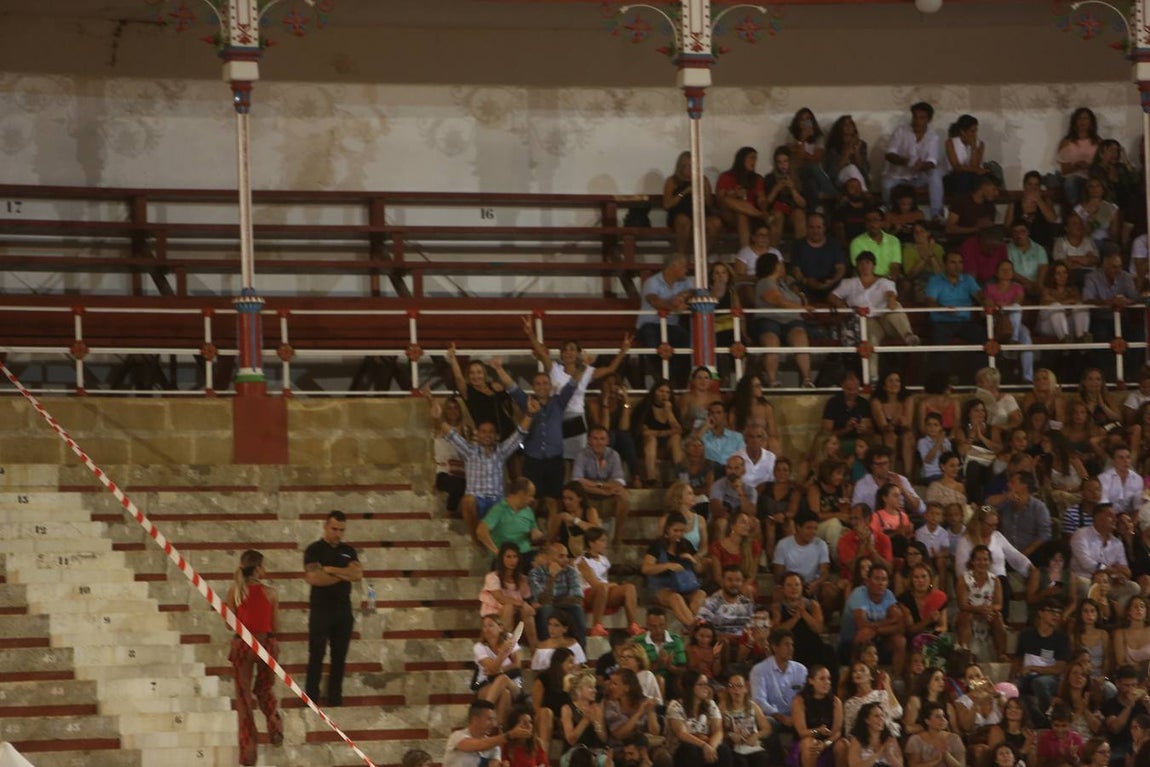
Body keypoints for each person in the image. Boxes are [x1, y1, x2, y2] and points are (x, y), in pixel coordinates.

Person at [432, 394, 533, 541]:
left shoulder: (501, 451)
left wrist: (529, 414)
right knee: (468, 500)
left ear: (496, 435)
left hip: (496, 502)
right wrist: (438, 419)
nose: (487, 435)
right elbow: (451, 435)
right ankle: (475, 538)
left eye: (491, 432)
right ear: (477, 434)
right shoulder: (469, 451)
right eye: (483, 432)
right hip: (477, 503)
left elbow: (519, 435)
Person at [495, 359, 578, 519]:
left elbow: (573, 383)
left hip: (555, 460)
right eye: (538, 384)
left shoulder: (559, 402)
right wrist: (499, 368)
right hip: (533, 460)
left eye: (545, 383)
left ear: (551, 386)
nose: (542, 386)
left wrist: (582, 365)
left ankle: (551, 541)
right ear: (533, 387)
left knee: (554, 502)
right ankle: (528, 537)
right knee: (531, 501)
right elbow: (511, 386)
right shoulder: (526, 402)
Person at [227, 549, 283, 766]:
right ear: (259, 568)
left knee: (243, 699)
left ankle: (248, 752)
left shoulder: (234, 591)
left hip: (242, 645)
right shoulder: (271, 593)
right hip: (266, 644)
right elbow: (275, 626)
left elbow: (228, 623)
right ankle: (274, 724)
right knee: (265, 688)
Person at [303, 510, 362, 708]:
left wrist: (331, 570)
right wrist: (343, 574)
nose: (337, 533)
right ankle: (311, 697)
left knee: (339, 656)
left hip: (343, 610)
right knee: (316, 654)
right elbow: (314, 578)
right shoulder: (314, 549)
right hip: (321, 609)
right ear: (326, 527)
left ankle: (335, 698)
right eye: (334, 528)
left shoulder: (349, 550)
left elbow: (357, 574)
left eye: (341, 530)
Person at [829, 252, 919, 379]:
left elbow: (890, 293)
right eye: (861, 263)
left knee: (896, 307)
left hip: (887, 320)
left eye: (867, 263)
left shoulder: (884, 281)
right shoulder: (849, 283)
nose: (864, 266)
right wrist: (840, 303)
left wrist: (891, 299)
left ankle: (908, 336)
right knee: (870, 341)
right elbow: (833, 296)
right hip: (867, 320)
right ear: (857, 267)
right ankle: (872, 377)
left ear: (873, 266)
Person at [753, 250, 815, 389]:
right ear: (774, 266)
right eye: (780, 264)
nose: (783, 266)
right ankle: (772, 380)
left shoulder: (783, 284)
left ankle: (807, 379)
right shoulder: (764, 282)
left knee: (800, 337)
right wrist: (802, 308)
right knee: (771, 340)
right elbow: (777, 300)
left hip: (791, 320)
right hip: (769, 319)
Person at [635, 253, 695, 379]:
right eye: (683, 266)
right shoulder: (652, 282)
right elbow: (654, 301)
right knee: (653, 345)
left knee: (687, 342)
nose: (686, 270)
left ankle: (680, 382)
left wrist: (683, 296)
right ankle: (661, 379)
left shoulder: (684, 282)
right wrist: (674, 307)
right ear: (674, 267)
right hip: (649, 325)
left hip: (671, 326)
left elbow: (693, 291)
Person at [642, 512, 706, 627]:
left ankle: (692, 625)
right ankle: (694, 628)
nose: (679, 534)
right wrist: (667, 565)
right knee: (675, 597)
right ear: (667, 529)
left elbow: (699, 569)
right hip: (662, 587)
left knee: (700, 594)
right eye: (675, 530)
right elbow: (646, 568)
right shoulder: (657, 545)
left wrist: (692, 560)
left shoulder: (686, 545)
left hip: (684, 585)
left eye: (681, 531)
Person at [1015, 597, 1072, 726]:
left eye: (1058, 613)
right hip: (1026, 676)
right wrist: (1012, 678)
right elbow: (1018, 660)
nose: (1056, 615)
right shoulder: (1026, 635)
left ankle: (1049, 716)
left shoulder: (1061, 639)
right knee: (1014, 688)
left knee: (1039, 682)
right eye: (1052, 611)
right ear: (1040, 613)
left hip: (1050, 679)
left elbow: (1060, 668)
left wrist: (1033, 668)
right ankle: (1036, 721)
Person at [841, 563, 906, 675]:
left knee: (900, 640)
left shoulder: (888, 595)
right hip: (851, 642)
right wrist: (889, 622)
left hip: (876, 637)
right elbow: (861, 625)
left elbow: (900, 625)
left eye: (884, 579)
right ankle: (856, 674)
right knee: (865, 633)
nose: (881, 583)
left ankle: (897, 678)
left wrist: (876, 630)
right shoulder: (858, 594)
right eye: (877, 579)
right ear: (867, 581)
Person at [882, 101, 943, 220]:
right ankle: (888, 213)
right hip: (897, 176)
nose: (917, 121)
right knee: (886, 185)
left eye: (921, 118)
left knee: (935, 175)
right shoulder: (900, 131)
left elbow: (932, 162)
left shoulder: (933, 137)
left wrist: (922, 166)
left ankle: (936, 214)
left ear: (929, 120)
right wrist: (904, 162)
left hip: (917, 177)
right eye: (915, 117)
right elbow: (889, 154)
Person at [577, 527, 642, 638]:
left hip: (605, 591)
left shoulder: (604, 560)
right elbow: (595, 584)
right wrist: (612, 585)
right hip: (589, 593)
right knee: (602, 588)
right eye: (602, 541)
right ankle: (597, 625)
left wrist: (611, 586)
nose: (605, 543)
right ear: (591, 543)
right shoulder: (582, 561)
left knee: (629, 587)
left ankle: (633, 625)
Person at [572, 426, 631, 544]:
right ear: (589, 440)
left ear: (607, 441)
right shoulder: (581, 455)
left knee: (624, 496)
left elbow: (619, 481)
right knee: (576, 490)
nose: (599, 442)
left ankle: (617, 537)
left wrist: (597, 484)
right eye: (595, 439)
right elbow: (578, 482)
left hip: (607, 492)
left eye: (602, 439)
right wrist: (603, 490)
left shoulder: (614, 455)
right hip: (589, 493)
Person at [1070, 504, 1139, 603]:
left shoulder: (1117, 543)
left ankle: (1117, 614)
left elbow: (1124, 569)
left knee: (1133, 587)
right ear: (1098, 517)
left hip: (1109, 582)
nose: (1115, 519)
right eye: (1110, 516)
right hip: (1085, 578)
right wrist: (1110, 570)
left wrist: (1121, 576)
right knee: (1085, 585)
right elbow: (1086, 563)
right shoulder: (1081, 534)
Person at [750, 628, 809, 735]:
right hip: (773, 717)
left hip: (797, 716)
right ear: (775, 647)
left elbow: (807, 696)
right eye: (786, 645)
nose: (791, 648)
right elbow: (759, 701)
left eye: (792, 645)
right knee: (768, 723)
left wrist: (796, 717)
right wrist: (781, 717)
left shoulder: (801, 670)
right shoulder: (759, 670)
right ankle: (778, 752)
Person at [925, 251, 985, 358]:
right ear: (945, 265)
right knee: (939, 346)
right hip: (941, 323)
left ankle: (979, 373)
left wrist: (986, 301)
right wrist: (944, 309)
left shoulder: (968, 279)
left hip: (964, 322)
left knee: (982, 337)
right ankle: (942, 374)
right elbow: (930, 301)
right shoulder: (935, 280)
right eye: (953, 262)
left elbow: (980, 295)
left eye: (960, 262)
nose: (957, 266)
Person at [529, 543, 589, 648]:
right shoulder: (535, 573)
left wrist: (552, 602)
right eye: (561, 556)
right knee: (546, 609)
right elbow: (542, 600)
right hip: (546, 609)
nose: (566, 560)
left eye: (566, 556)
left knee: (577, 608)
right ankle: (547, 651)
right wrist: (552, 577)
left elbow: (577, 598)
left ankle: (580, 655)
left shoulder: (571, 572)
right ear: (549, 558)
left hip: (565, 608)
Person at [666, 671, 732, 767]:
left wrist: (712, 747)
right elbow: (682, 734)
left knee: (724, 749)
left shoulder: (711, 705)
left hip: (706, 745)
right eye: (701, 684)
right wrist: (703, 745)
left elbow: (718, 731)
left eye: (707, 684)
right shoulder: (676, 706)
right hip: (682, 749)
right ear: (690, 687)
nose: (706, 688)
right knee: (690, 749)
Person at [481, 543, 539, 650]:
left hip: (517, 614)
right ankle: (504, 646)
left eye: (514, 557)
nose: (512, 560)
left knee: (525, 610)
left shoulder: (522, 579)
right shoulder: (492, 577)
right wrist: (522, 604)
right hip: (495, 614)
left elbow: (529, 597)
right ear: (501, 558)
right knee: (509, 607)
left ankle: (534, 649)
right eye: (508, 557)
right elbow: (500, 598)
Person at [985, 259, 1036, 383]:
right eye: (1003, 269)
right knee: (1014, 310)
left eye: (1009, 269)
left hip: (1015, 321)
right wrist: (1000, 307)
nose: (1007, 272)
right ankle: (1013, 339)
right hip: (998, 321)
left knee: (1027, 337)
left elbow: (1018, 301)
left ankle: (1028, 377)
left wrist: (1003, 306)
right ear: (996, 273)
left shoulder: (1017, 287)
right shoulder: (990, 288)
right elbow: (987, 302)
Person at [773, 511, 837, 609]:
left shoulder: (821, 544)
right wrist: (793, 586)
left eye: (815, 528)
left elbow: (825, 573)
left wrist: (816, 584)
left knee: (829, 590)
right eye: (809, 528)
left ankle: (822, 620)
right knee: (778, 592)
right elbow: (778, 575)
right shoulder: (783, 544)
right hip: (791, 585)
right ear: (798, 527)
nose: (813, 532)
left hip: (812, 585)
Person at [664, 150, 722, 257]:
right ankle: (682, 255)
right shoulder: (672, 181)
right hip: (680, 213)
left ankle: (702, 256)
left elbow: (709, 204)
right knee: (683, 221)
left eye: (691, 166)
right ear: (680, 167)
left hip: (700, 213)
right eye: (685, 166)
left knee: (716, 223)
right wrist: (684, 192)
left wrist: (702, 194)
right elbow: (667, 204)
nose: (688, 169)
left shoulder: (703, 180)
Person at [445, 699, 534, 767]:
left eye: (494, 719)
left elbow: (494, 763)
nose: (493, 724)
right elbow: (478, 745)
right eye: (489, 719)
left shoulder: (494, 746)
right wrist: (510, 735)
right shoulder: (457, 736)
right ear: (475, 719)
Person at [955, 544, 1007, 661]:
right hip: (969, 612)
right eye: (978, 559)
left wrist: (988, 610)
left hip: (987, 612)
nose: (982, 563)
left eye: (985, 559)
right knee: (965, 615)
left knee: (998, 616)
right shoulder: (963, 579)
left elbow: (999, 604)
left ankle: (1001, 654)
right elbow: (962, 604)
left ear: (989, 562)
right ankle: (964, 652)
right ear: (972, 561)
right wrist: (978, 610)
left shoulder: (995, 580)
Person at [472, 615, 525, 724]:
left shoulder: (510, 638)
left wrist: (498, 671)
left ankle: (483, 714)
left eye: (490, 625)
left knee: (502, 679)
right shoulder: (479, 647)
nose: (487, 629)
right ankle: (502, 732)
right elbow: (492, 668)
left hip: (513, 683)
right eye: (484, 626)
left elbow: (517, 664)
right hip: (486, 684)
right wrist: (503, 653)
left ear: (500, 627)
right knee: (505, 694)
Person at [477, 478, 545, 558]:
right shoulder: (499, 510)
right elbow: (481, 531)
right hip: (506, 557)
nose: (533, 500)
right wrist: (497, 552)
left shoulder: (528, 511)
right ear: (521, 494)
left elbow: (534, 533)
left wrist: (537, 535)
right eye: (530, 496)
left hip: (525, 555)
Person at [852, 445, 923, 518]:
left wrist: (902, 489)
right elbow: (856, 510)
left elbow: (920, 508)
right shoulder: (862, 484)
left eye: (885, 463)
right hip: (872, 522)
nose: (882, 467)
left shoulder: (901, 479)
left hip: (899, 521)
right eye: (878, 464)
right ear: (871, 465)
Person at [718, 146, 769, 249]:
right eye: (751, 157)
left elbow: (761, 198)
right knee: (728, 200)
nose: (754, 161)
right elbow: (720, 200)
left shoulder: (757, 178)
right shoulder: (726, 176)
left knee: (742, 215)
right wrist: (734, 194)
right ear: (741, 159)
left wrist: (763, 204)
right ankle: (760, 215)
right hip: (729, 214)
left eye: (755, 158)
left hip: (750, 215)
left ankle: (745, 252)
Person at [721, 671, 773, 767]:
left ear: (745, 689)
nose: (735, 690)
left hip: (753, 746)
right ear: (728, 690)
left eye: (739, 686)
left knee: (763, 758)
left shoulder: (753, 706)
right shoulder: (722, 707)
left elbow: (767, 728)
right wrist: (729, 735)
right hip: (735, 748)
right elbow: (717, 731)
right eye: (732, 686)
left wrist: (756, 736)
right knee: (740, 763)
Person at [559, 669, 610, 766]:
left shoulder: (596, 709)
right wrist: (586, 720)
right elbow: (571, 740)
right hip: (574, 751)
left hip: (594, 750)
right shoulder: (567, 709)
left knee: (605, 761)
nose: (595, 691)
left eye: (594, 687)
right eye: (590, 687)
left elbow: (603, 738)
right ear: (579, 690)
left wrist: (596, 722)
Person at [1102, 666, 1150, 767]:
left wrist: (1148, 707)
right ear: (1118, 684)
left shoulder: (1142, 703)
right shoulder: (1111, 704)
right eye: (1127, 685)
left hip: (1143, 745)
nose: (1131, 689)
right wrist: (1129, 706)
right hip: (1119, 747)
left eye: (1134, 685)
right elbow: (1115, 728)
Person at [792, 212, 847, 302]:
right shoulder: (799, 245)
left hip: (830, 286)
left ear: (824, 228)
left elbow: (841, 268)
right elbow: (796, 270)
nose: (815, 231)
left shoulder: (834, 244)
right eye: (811, 227)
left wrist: (832, 281)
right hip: (806, 286)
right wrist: (806, 281)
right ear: (806, 228)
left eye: (818, 227)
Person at [997, 471, 1053, 558]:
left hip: (1030, 556)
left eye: (1012, 482)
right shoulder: (1005, 503)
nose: (1008, 484)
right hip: (1005, 555)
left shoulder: (1039, 508)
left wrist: (1024, 554)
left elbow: (1045, 535)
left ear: (1024, 486)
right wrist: (1003, 497)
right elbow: (985, 508)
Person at [789, 107, 836, 209]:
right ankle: (833, 194)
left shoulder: (819, 137)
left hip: (815, 174)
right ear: (797, 122)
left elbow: (816, 158)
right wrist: (802, 139)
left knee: (812, 182)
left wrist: (801, 150)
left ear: (812, 121)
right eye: (802, 119)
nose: (805, 122)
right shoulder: (792, 137)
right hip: (798, 173)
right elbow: (797, 162)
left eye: (808, 119)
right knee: (811, 168)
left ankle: (814, 212)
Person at [1055, 107, 1102, 208]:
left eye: (1086, 119)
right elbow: (1064, 170)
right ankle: (1078, 212)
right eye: (1079, 118)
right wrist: (1077, 166)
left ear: (1091, 122)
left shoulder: (1098, 142)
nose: (1082, 122)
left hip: (1092, 177)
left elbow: (1102, 165)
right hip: (1073, 178)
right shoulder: (1067, 142)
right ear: (1075, 121)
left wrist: (1089, 167)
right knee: (1070, 182)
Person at [763, 145, 808, 243]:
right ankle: (773, 253)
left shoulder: (799, 177)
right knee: (778, 214)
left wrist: (792, 189)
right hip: (775, 213)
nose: (782, 165)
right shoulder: (770, 178)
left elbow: (803, 204)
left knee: (799, 214)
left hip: (792, 213)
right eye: (779, 162)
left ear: (790, 162)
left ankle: (802, 253)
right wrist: (776, 189)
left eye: (785, 161)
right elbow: (765, 204)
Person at [634, 607, 687, 687]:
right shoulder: (638, 642)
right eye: (653, 626)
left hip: (673, 683)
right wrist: (658, 664)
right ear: (647, 625)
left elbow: (684, 670)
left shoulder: (676, 640)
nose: (658, 630)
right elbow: (637, 673)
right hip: (647, 684)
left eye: (662, 626)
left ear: (666, 624)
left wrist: (670, 667)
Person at [1039, 261, 1091, 343]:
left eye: (1064, 273)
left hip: (1068, 321)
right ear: (1052, 276)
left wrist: (1064, 304)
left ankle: (1082, 337)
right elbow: (1049, 302)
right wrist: (1067, 302)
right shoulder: (1046, 290)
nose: (1062, 276)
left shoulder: (1073, 289)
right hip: (1049, 324)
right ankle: (1064, 339)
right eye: (1058, 273)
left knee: (1081, 307)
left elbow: (1077, 301)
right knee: (1056, 307)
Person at [849, 207, 903, 279]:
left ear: (882, 223)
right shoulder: (857, 242)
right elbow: (860, 269)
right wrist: (881, 281)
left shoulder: (893, 240)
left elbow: (895, 265)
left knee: (905, 284)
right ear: (865, 224)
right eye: (869, 221)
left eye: (875, 220)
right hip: (867, 279)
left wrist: (890, 278)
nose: (872, 224)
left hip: (889, 278)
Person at [846, 701, 904, 767]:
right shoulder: (857, 740)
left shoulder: (890, 739)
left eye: (882, 716)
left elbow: (900, 765)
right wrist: (878, 753)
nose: (881, 719)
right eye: (876, 716)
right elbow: (854, 765)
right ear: (867, 720)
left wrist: (889, 754)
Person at [945, 114, 989, 197]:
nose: (975, 134)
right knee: (964, 178)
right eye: (972, 131)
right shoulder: (950, 143)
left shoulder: (980, 144)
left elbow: (975, 165)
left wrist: (973, 148)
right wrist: (974, 170)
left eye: (976, 131)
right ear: (962, 132)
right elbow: (956, 167)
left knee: (978, 180)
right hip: (954, 177)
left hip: (973, 177)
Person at [825, 115, 871, 192]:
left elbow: (865, 170)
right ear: (840, 128)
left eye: (851, 124)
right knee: (851, 168)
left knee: (853, 171)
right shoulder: (834, 146)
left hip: (858, 179)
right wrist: (848, 151)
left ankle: (861, 194)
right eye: (845, 124)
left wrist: (857, 152)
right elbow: (832, 172)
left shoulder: (862, 144)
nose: (848, 126)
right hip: (839, 179)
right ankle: (865, 193)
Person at [946, 176, 1000, 240]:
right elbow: (950, 228)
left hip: (982, 243)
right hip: (960, 242)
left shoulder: (990, 205)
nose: (997, 193)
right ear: (983, 186)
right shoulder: (961, 201)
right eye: (994, 189)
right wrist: (975, 229)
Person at [1099, 446, 1144, 516]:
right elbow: (1104, 505)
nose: (1126, 461)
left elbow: (1137, 507)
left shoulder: (1138, 479)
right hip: (1107, 516)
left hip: (1127, 518)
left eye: (1128, 457)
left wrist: (1131, 524)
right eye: (1121, 458)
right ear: (1113, 461)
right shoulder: (1103, 478)